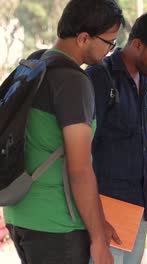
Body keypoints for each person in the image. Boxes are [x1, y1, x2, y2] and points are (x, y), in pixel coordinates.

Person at [3, 1, 125, 263]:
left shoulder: (37, 62)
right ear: (83, 38)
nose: (110, 50)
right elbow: (79, 170)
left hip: (20, 211)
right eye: (109, 42)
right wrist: (98, 240)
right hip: (57, 224)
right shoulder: (73, 82)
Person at [85, 10, 147, 263]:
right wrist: (97, 222)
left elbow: (142, 150)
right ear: (137, 44)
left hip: (136, 211)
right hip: (104, 212)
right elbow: (81, 154)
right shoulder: (99, 78)